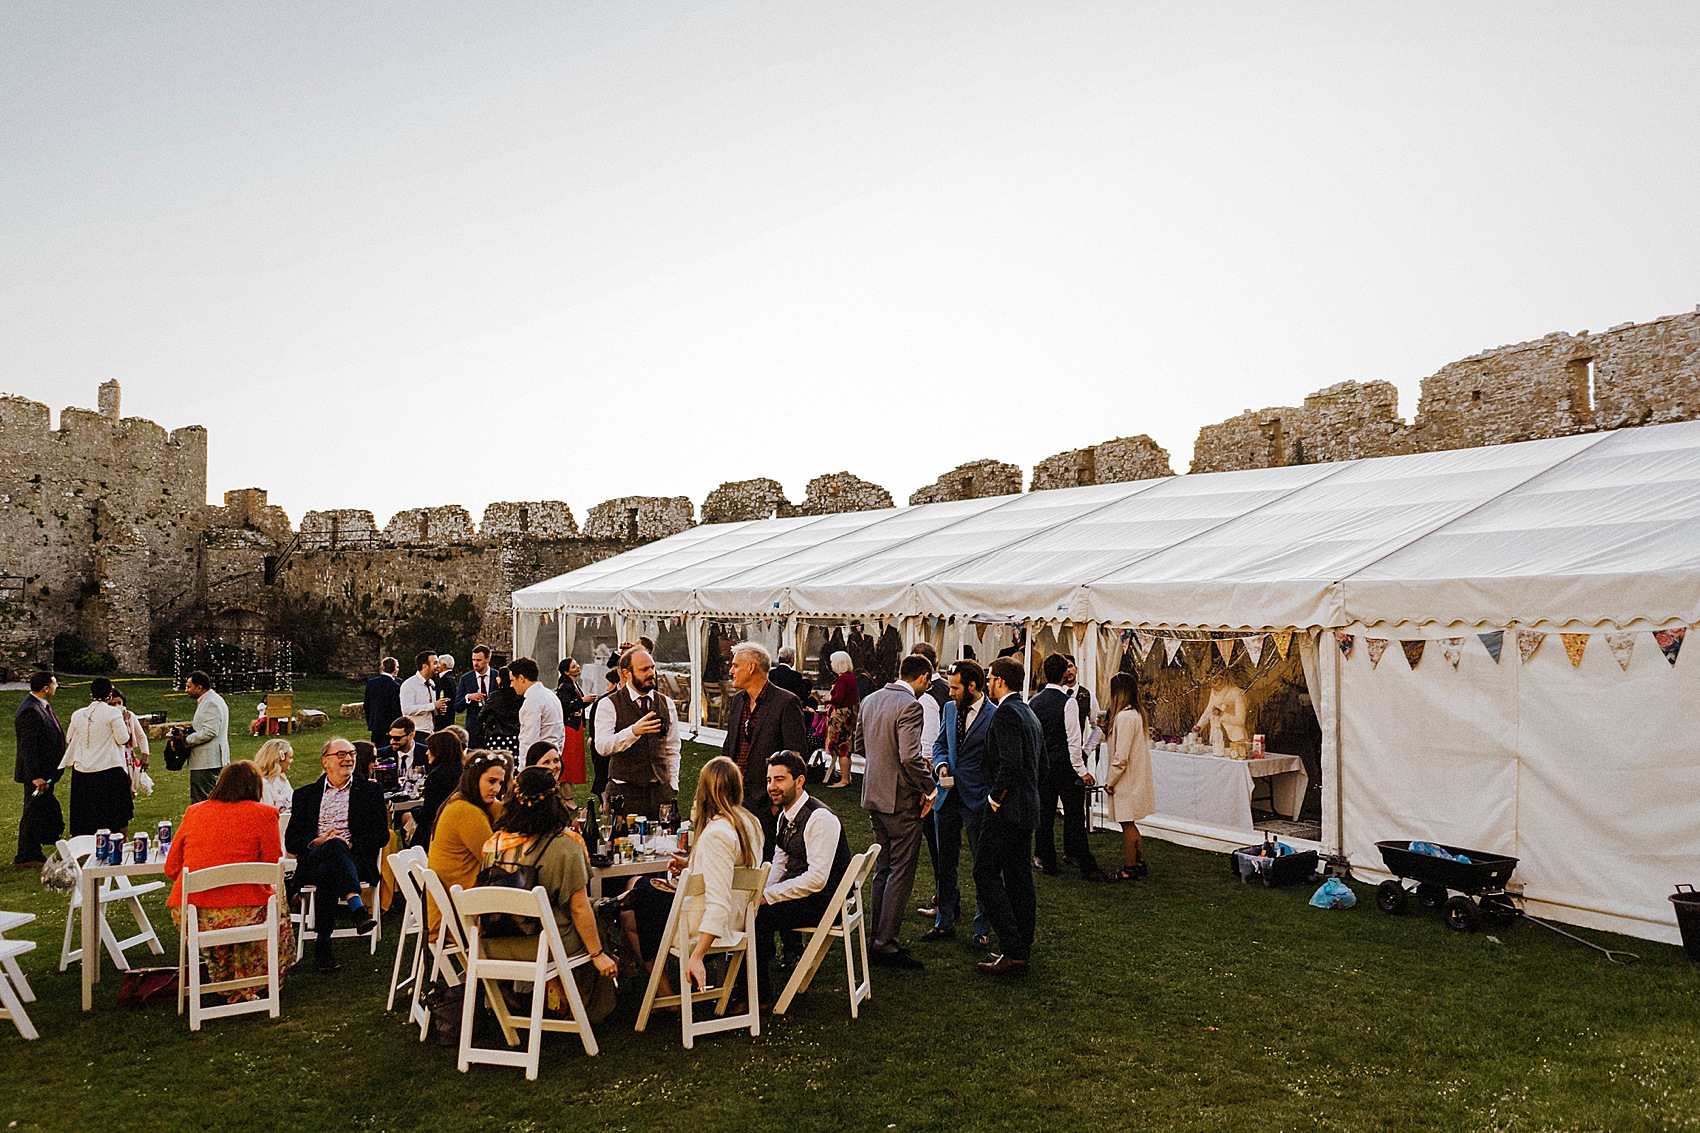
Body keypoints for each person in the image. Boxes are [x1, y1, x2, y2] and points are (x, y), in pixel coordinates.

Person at [479, 767, 619, 1014]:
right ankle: (587, 1009)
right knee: (594, 921)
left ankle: (550, 1001)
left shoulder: (495, 844)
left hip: (493, 946)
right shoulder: (565, 846)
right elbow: (578, 908)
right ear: (554, 800)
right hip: (544, 945)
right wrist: (598, 954)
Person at [165, 761, 294, 1000]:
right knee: (278, 898)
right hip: (245, 913)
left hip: (195, 915)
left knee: (264, 899)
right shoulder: (265, 814)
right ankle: (256, 979)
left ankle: (226, 980)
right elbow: (272, 866)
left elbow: (172, 868)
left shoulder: (194, 812)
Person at [854, 654, 936, 969]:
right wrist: (930, 787)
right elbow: (911, 757)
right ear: (924, 677)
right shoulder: (910, 705)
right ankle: (885, 944)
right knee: (900, 870)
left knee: (884, 868)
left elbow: (860, 746)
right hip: (900, 799)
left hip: (873, 793)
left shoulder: (872, 699)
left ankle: (878, 937)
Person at [284, 737, 390, 972]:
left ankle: (323, 943)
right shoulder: (305, 795)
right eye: (341, 754)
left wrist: (350, 844)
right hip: (313, 859)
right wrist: (318, 841)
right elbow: (292, 842)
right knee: (331, 848)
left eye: (351, 753)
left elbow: (382, 835)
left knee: (331, 864)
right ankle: (357, 907)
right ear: (325, 762)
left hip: (354, 860)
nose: (348, 758)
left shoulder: (370, 791)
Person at [754, 751, 849, 1005]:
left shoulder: (820, 818)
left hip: (826, 902)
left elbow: (817, 879)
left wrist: (769, 897)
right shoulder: (785, 815)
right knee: (750, 908)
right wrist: (759, 892)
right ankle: (746, 983)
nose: (772, 787)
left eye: (780, 779)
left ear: (799, 781)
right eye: (769, 779)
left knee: (758, 917)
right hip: (807, 894)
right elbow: (780, 862)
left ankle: (758, 996)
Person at [975, 657, 1042, 976]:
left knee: (984, 872)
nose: (988, 684)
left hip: (1007, 808)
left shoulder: (1006, 713)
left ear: (1000, 681)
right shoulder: (1028, 711)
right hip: (1027, 807)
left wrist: (994, 798)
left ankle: (1014, 946)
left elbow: (1011, 763)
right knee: (1018, 877)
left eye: (989, 679)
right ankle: (1019, 949)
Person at [923, 658, 995, 947]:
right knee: (944, 862)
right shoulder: (949, 709)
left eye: (955, 688)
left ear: (973, 685)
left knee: (982, 865)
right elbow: (941, 743)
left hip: (978, 799)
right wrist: (941, 764)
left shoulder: (994, 715)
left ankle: (983, 927)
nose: (950, 693)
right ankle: (944, 920)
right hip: (947, 796)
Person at [720, 642, 808, 847]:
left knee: (765, 864)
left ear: (751, 668)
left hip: (767, 804)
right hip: (734, 799)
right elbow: (729, 747)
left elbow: (796, 757)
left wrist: (778, 803)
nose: (731, 670)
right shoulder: (737, 702)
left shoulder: (785, 702)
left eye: (735, 666)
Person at [1030, 652, 1108, 882]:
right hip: (1065, 767)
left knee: (1045, 814)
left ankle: (1048, 861)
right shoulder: (1069, 702)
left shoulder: (1034, 701)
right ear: (1064, 674)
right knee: (1074, 815)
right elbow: (1073, 741)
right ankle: (1086, 865)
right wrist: (1082, 771)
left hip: (1044, 766)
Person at [424, 754, 507, 935]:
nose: (496, 789)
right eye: (491, 781)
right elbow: (494, 860)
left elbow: (503, 812)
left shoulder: (460, 801)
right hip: (458, 915)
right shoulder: (466, 811)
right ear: (473, 777)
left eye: (500, 783)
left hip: (455, 903)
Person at [593, 648, 680, 818]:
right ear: (626, 674)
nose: (651, 673)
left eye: (652, 668)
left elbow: (672, 748)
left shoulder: (666, 704)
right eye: (644, 669)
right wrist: (633, 731)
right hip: (624, 792)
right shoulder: (608, 704)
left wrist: (673, 785)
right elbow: (602, 746)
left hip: (660, 792)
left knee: (664, 842)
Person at [59, 677, 134, 837]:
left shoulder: (78, 714)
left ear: (91, 694)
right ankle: (118, 843)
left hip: (83, 771)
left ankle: (89, 846)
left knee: (87, 814)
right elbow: (122, 738)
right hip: (109, 769)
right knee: (116, 815)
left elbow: (69, 738)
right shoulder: (113, 712)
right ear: (109, 694)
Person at [1103, 672, 1155, 880]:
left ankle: (1130, 867)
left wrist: (1110, 781)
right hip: (1133, 777)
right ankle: (1139, 861)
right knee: (1130, 822)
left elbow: (1121, 756)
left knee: (1127, 824)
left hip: (1127, 780)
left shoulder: (1125, 717)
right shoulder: (1135, 714)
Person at [13, 671, 63, 868]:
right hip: (36, 774)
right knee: (32, 811)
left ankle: (34, 850)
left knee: (40, 810)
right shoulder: (30, 711)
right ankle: (25, 855)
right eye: (54, 683)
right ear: (45, 688)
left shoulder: (39, 707)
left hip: (46, 772)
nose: (56, 686)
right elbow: (28, 746)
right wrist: (35, 776)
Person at [181, 670, 230, 804]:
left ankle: (204, 824)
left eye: (188, 686)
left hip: (207, 760)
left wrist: (185, 739)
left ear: (199, 687)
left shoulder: (211, 703)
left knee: (202, 801)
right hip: (207, 760)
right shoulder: (210, 700)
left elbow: (210, 732)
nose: (186, 690)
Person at [411, 730, 465, 849]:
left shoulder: (437, 776)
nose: (426, 753)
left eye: (430, 749)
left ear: (439, 751)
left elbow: (428, 814)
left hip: (436, 829)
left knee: (407, 818)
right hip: (458, 822)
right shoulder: (463, 771)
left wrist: (414, 810)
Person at [511, 657, 565, 765]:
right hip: (553, 758)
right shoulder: (550, 695)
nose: (511, 685)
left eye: (512, 680)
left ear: (521, 678)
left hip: (538, 764)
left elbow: (529, 740)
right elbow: (561, 733)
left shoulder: (532, 701)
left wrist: (524, 770)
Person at [823, 651, 861, 789]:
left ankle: (844, 779)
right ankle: (846, 777)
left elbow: (838, 698)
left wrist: (828, 699)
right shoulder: (851, 677)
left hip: (841, 715)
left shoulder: (843, 678)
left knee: (841, 747)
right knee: (845, 746)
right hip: (849, 714)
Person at [454, 646, 497, 749]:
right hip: (474, 731)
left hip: (494, 729)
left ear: (488, 659)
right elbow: (457, 707)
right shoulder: (466, 679)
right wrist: (468, 697)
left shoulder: (497, 676)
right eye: (473, 660)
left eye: (479, 660)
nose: (475, 663)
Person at [480, 666, 522, 760]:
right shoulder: (519, 696)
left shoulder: (495, 697)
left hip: (497, 736)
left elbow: (481, 716)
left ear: (500, 679)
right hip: (516, 736)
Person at [400, 651, 445, 739]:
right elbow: (407, 709)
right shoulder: (409, 685)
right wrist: (433, 706)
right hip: (416, 732)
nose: (439, 666)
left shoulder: (431, 683)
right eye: (435, 663)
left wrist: (438, 709)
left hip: (430, 732)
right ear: (425, 666)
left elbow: (429, 707)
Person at [363, 657, 403, 749]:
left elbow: (367, 705)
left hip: (375, 723)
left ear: (383, 668)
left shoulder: (371, 683)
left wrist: (370, 721)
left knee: (376, 749)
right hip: (389, 724)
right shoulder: (395, 686)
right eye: (397, 667)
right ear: (394, 669)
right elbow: (396, 708)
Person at [524, 742, 576, 808]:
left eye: (556, 760)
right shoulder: (531, 800)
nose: (553, 766)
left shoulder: (552, 795)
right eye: (546, 762)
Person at [253, 738, 295, 814]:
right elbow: (267, 811)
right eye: (290, 757)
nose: (292, 761)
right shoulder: (264, 784)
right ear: (280, 759)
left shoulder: (281, 778)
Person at [432, 653, 458, 733]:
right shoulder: (450, 678)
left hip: (444, 716)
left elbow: (443, 697)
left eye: (438, 663)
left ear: (443, 665)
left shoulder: (445, 680)